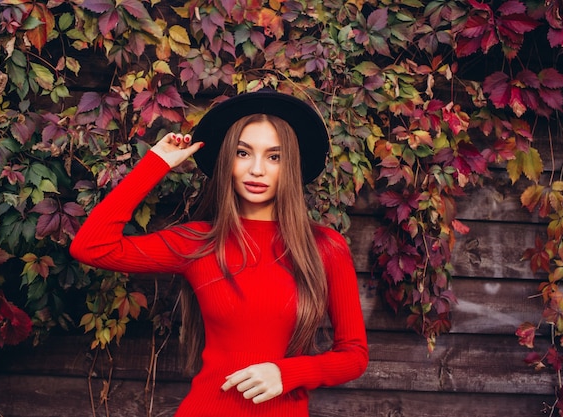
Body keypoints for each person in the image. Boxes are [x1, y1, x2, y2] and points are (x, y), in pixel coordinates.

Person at [69, 89, 369, 417]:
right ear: (228, 160)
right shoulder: (199, 242)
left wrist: (288, 373)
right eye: (243, 153)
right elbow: (91, 247)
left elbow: (354, 356)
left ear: (292, 165)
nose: (257, 169)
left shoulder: (325, 247)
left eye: (274, 156)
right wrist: (156, 164)